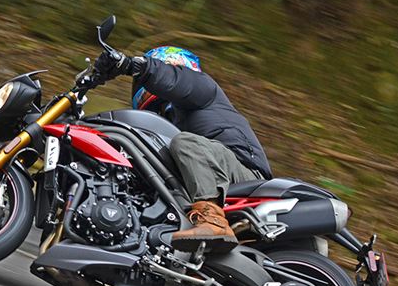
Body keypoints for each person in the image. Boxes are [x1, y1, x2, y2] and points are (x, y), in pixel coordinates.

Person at [94, 46, 272, 251]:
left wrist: (132, 65)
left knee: (186, 143)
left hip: (245, 176)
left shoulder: (204, 89)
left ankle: (213, 221)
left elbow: (175, 81)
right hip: (211, 178)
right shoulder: (166, 121)